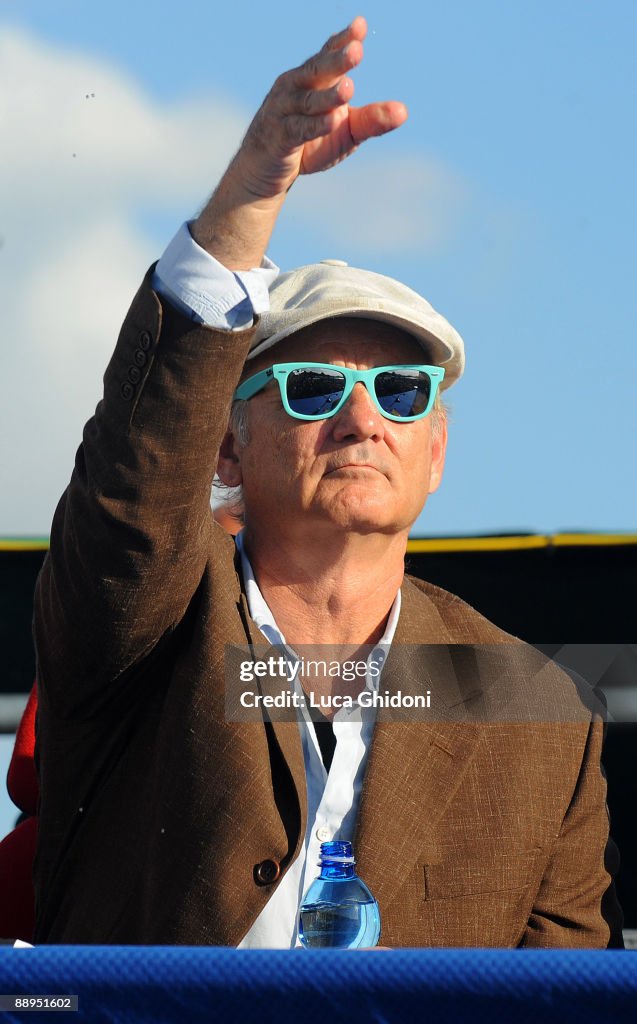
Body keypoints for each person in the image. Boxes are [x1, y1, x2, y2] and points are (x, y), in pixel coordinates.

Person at [32, 16, 622, 947]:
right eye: (313, 389)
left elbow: (562, 992)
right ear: (226, 449)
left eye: (400, 390)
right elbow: (135, 487)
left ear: (435, 449)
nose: (361, 420)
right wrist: (246, 201)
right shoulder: (144, 624)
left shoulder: (539, 709)